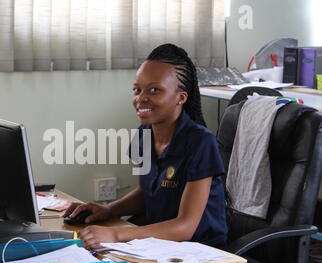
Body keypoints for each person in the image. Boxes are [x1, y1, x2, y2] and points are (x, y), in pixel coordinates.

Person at [63, 43, 228, 249]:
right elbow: (146, 194)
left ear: (181, 97)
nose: (141, 98)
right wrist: (109, 210)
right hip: (157, 244)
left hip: (199, 251)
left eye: (154, 90)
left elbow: (186, 226)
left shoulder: (201, 143)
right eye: (137, 90)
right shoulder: (144, 134)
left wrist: (116, 234)